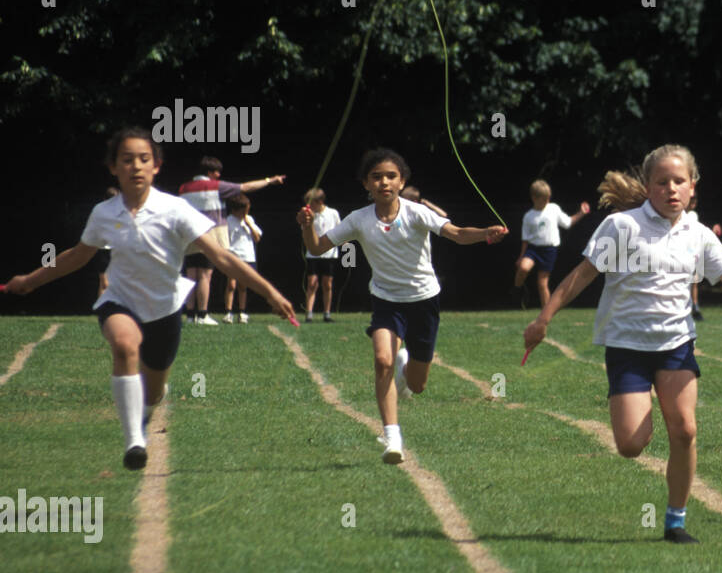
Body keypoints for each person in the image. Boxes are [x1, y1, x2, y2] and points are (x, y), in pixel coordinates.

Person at [522, 144, 722, 544]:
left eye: (680, 181)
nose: (671, 189)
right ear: (647, 185)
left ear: (693, 187)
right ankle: (641, 410)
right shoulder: (622, 226)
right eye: (662, 182)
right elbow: (583, 275)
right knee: (630, 445)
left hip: (676, 345)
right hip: (626, 347)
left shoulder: (699, 234)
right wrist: (544, 318)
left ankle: (675, 521)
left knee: (685, 430)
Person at [3, 127, 295, 469]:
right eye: (127, 160)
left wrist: (270, 291)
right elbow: (77, 255)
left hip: (166, 309)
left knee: (154, 392)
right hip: (120, 302)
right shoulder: (104, 213)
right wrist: (30, 280)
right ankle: (134, 442)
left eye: (144, 159)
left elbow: (223, 257)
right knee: (124, 345)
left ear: (156, 166)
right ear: (113, 167)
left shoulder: (175, 209)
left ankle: (148, 403)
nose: (136, 166)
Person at [296, 149, 507, 463]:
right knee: (382, 360)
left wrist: (485, 235)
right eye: (377, 177)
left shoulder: (416, 212)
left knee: (418, 385)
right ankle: (392, 439)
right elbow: (316, 246)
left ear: (402, 181)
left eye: (391, 176)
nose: (384, 182)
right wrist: (306, 225)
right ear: (366, 184)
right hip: (385, 301)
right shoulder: (358, 219)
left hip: (424, 302)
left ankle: (406, 364)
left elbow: (457, 233)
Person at [179, 156, 286, 324]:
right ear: (210, 173)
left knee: (192, 276)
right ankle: (202, 315)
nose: (219, 175)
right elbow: (246, 187)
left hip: (189, 235)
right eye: (217, 172)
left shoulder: (184, 188)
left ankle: (190, 315)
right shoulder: (215, 186)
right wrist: (269, 181)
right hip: (210, 236)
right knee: (205, 276)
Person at [514, 180, 589, 309]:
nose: (547, 201)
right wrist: (521, 256)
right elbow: (525, 239)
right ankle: (517, 291)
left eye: (548, 198)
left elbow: (568, 223)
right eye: (544, 199)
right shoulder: (529, 216)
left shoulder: (553, 209)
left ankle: (546, 312)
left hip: (549, 250)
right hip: (533, 248)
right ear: (534, 198)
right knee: (523, 268)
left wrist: (581, 213)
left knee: (542, 283)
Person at [303, 188, 340, 323]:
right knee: (312, 283)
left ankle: (327, 313)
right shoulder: (309, 215)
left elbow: (339, 231)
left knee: (327, 284)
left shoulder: (332, 213)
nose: (309, 206)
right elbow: (305, 232)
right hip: (313, 254)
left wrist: (349, 253)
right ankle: (309, 314)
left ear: (320, 202)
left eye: (311, 203)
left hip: (329, 254)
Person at [222, 194, 261, 323]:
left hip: (248, 256)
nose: (246, 212)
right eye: (244, 209)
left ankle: (242, 312)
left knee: (243, 285)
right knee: (231, 284)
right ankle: (228, 312)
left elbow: (257, 238)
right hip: (233, 256)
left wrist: (249, 224)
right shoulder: (228, 221)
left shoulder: (249, 219)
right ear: (236, 209)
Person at [683, 192, 722, 320]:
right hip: (681, 252)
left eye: (695, 199)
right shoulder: (677, 215)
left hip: (693, 251)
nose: (694, 201)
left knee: (694, 280)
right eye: (691, 199)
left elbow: (703, 229)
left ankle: (695, 307)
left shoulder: (695, 215)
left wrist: (713, 229)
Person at [93, 187, 119, 296]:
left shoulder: (122, 212)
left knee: (115, 283)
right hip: (104, 251)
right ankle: (102, 310)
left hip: (116, 250)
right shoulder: (101, 212)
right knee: (104, 284)